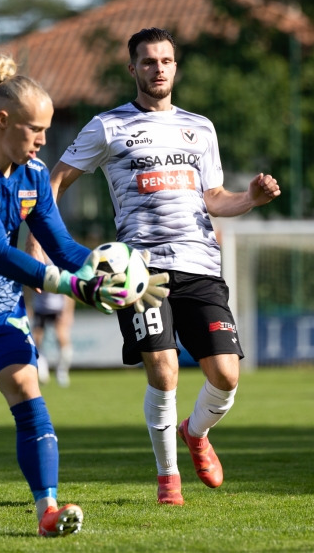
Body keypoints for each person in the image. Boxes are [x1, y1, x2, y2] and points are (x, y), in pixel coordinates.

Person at [0, 55, 166, 537]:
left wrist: (113, 273)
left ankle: (47, 509)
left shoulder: (34, 175)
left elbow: (61, 246)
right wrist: (70, 285)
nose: (44, 140)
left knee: (26, 386)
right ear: (3, 121)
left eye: (46, 129)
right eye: (36, 129)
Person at [26, 27, 281, 505]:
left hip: (201, 265)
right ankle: (169, 480)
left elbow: (213, 198)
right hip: (141, 272)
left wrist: (250, 198)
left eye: (165, 61)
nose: (158, 69)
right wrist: (38, 243)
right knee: (164, 371)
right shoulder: (108, 126)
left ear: (175, 67)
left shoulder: (201, 127)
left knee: (226, 376)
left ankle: (195, 432)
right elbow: (53, 182)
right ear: (133, 69)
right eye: (148, 61)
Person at [31, 289, 75, 387]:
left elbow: (69, 290)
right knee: (36, 340)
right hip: (40, 309)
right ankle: (42, 369)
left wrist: (68, 312)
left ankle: (62, 371)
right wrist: (28, 306)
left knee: (62, 338)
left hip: (58, 308)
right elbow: (27, 289)